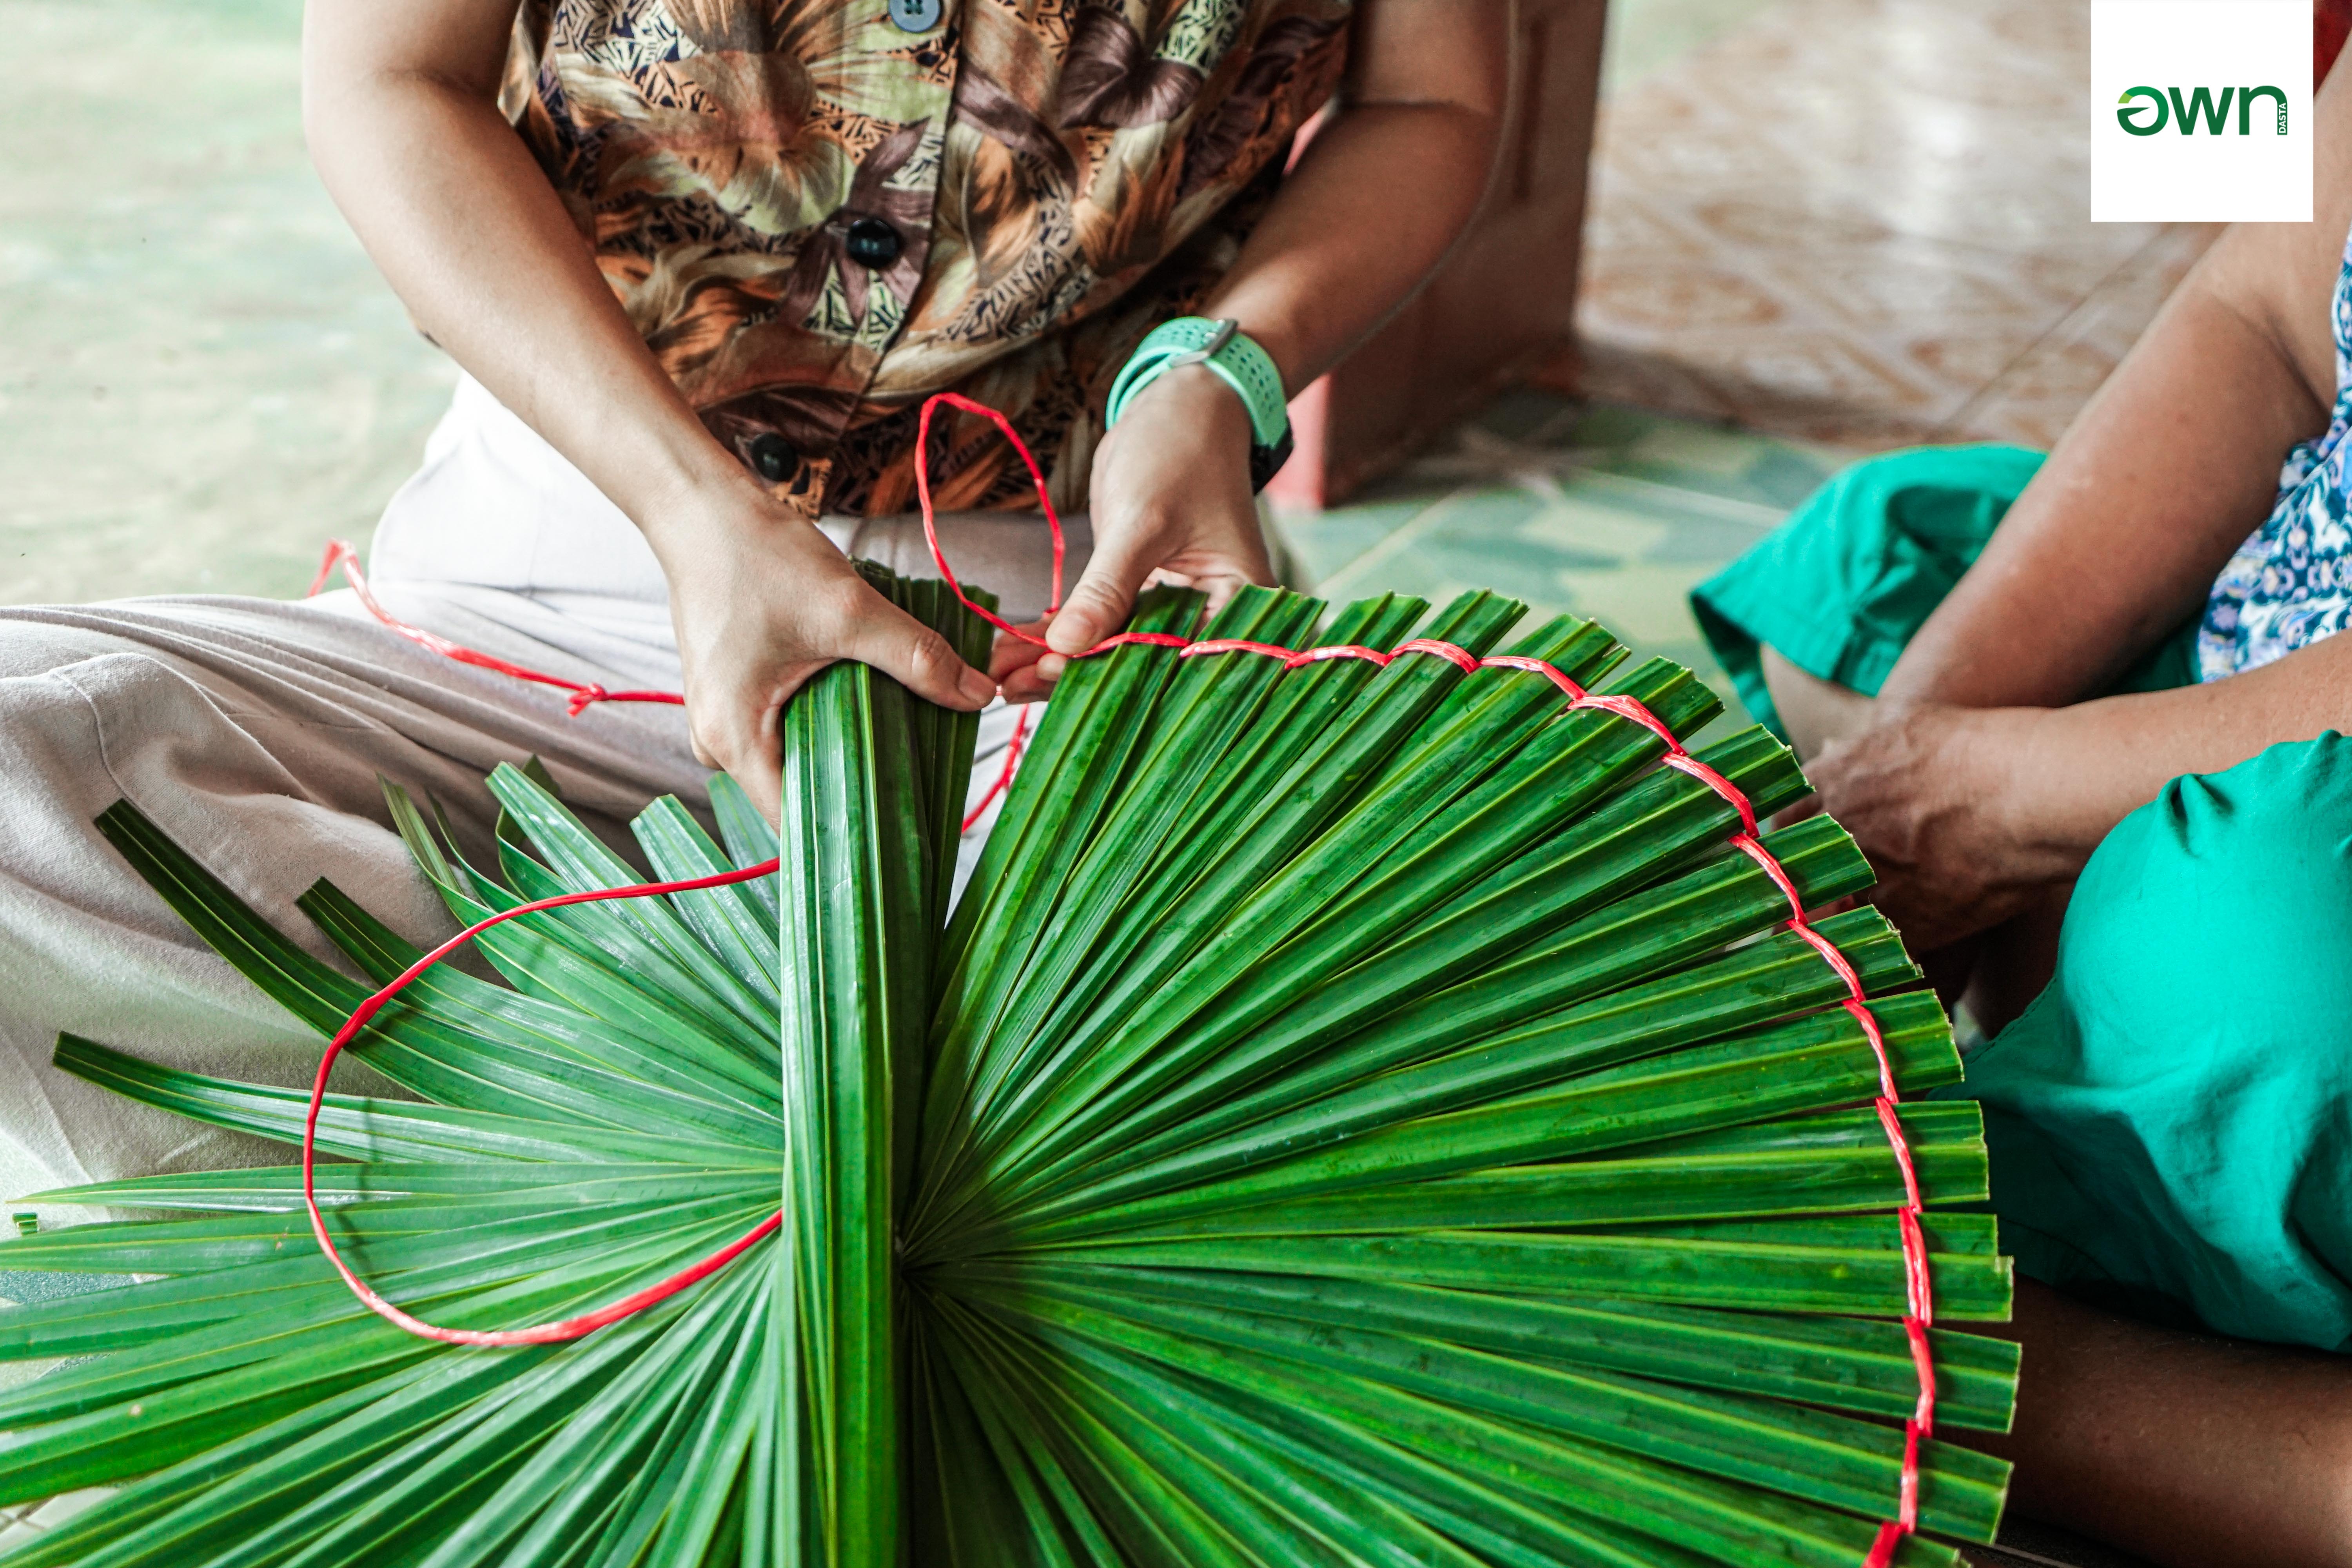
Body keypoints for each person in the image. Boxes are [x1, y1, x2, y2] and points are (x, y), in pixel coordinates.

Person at [0, 2, 1504, 1208]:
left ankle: (605, 1115)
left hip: (1048, 612)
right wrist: (694, 513)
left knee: (1246, 985)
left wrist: (1216, 373)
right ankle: (729, 1118)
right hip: (567, 538)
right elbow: (392, 76)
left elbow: (1431, 101)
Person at [1691, 64, 2352, 1568]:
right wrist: (1923, 758)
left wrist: (1999, 798)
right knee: (1882, 563)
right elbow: (2264, 317)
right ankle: (2095, 1114)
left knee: (2254, 949)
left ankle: (2022, 1316)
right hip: (2280, 654)